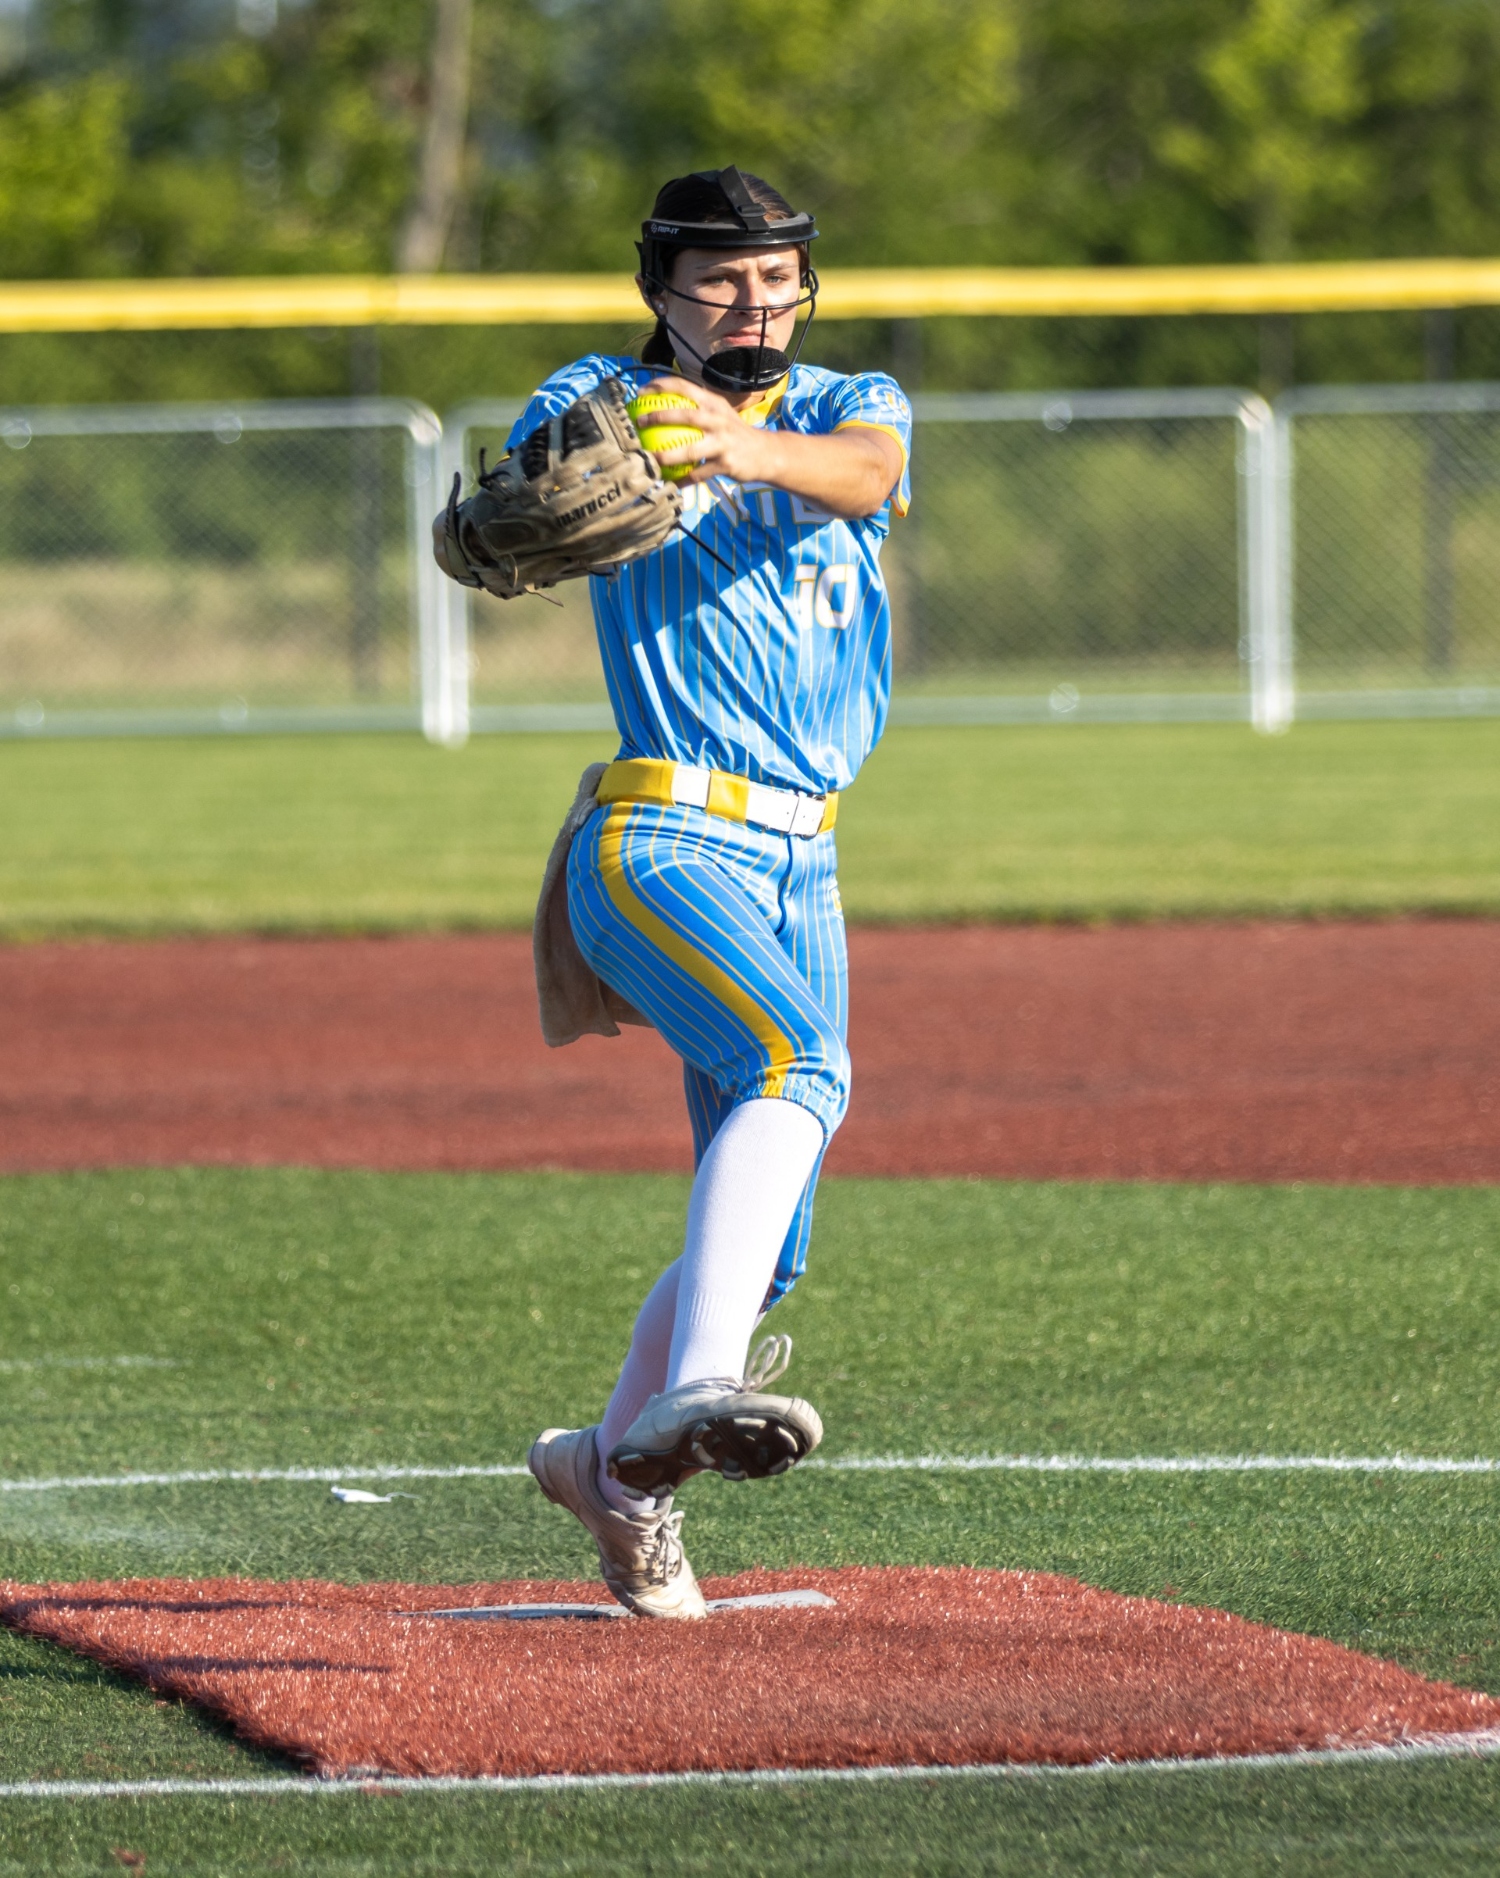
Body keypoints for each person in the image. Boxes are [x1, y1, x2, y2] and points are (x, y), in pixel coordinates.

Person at [522, 165, 911, 1618]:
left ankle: (615, 1480)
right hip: (659, 829)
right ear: (660, 288)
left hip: (805, 854)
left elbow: (870, 472)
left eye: (778, 275)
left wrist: (741, 450)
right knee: (796, 1061)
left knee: (773, 1247)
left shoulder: (843, 403)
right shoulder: (602, 390)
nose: (754, 300)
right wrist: (598, 450)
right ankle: (694, 1391)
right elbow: (555, 449)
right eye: (720, 276)